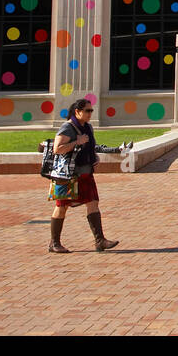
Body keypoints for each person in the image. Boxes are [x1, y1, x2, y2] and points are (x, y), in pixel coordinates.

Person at [47, 98, 120, 252]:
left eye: (91, 110)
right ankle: (54, 243)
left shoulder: (88, 127)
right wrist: (76, 142)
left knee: (93, 202)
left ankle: (100, 241)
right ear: (77, 111)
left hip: (86, 174)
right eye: (87, 110)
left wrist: (94, 157)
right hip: (68, 176)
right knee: (62, 207)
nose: (90, 113)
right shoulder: (67, 128)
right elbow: (57, 149)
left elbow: (90, 147)